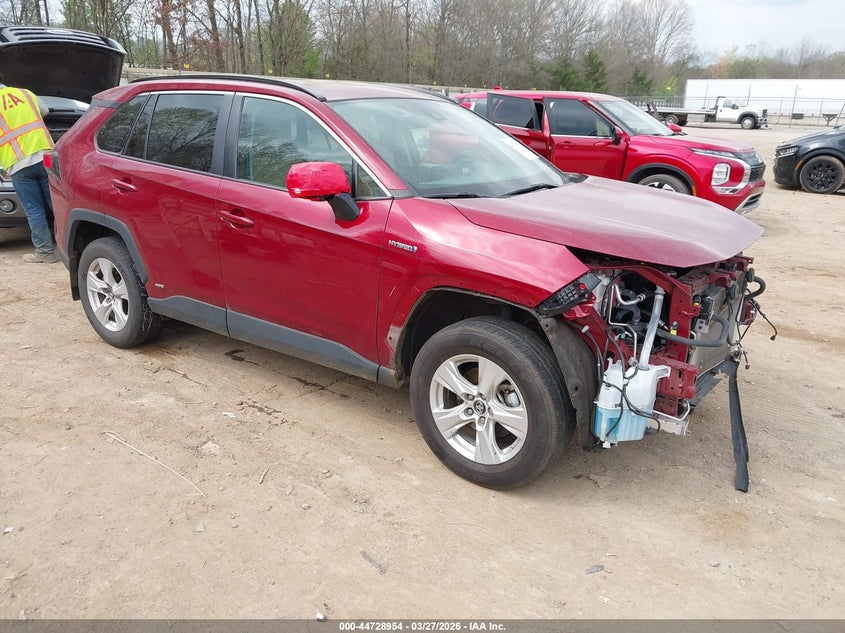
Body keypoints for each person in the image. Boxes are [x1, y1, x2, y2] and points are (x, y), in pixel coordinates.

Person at [0, 83, 56, 263]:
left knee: (34, 209)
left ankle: (45, 253)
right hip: (46, 156)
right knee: (58, 205)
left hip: (18, 164)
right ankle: (72, 248)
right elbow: (45, 111)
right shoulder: (26, 93)